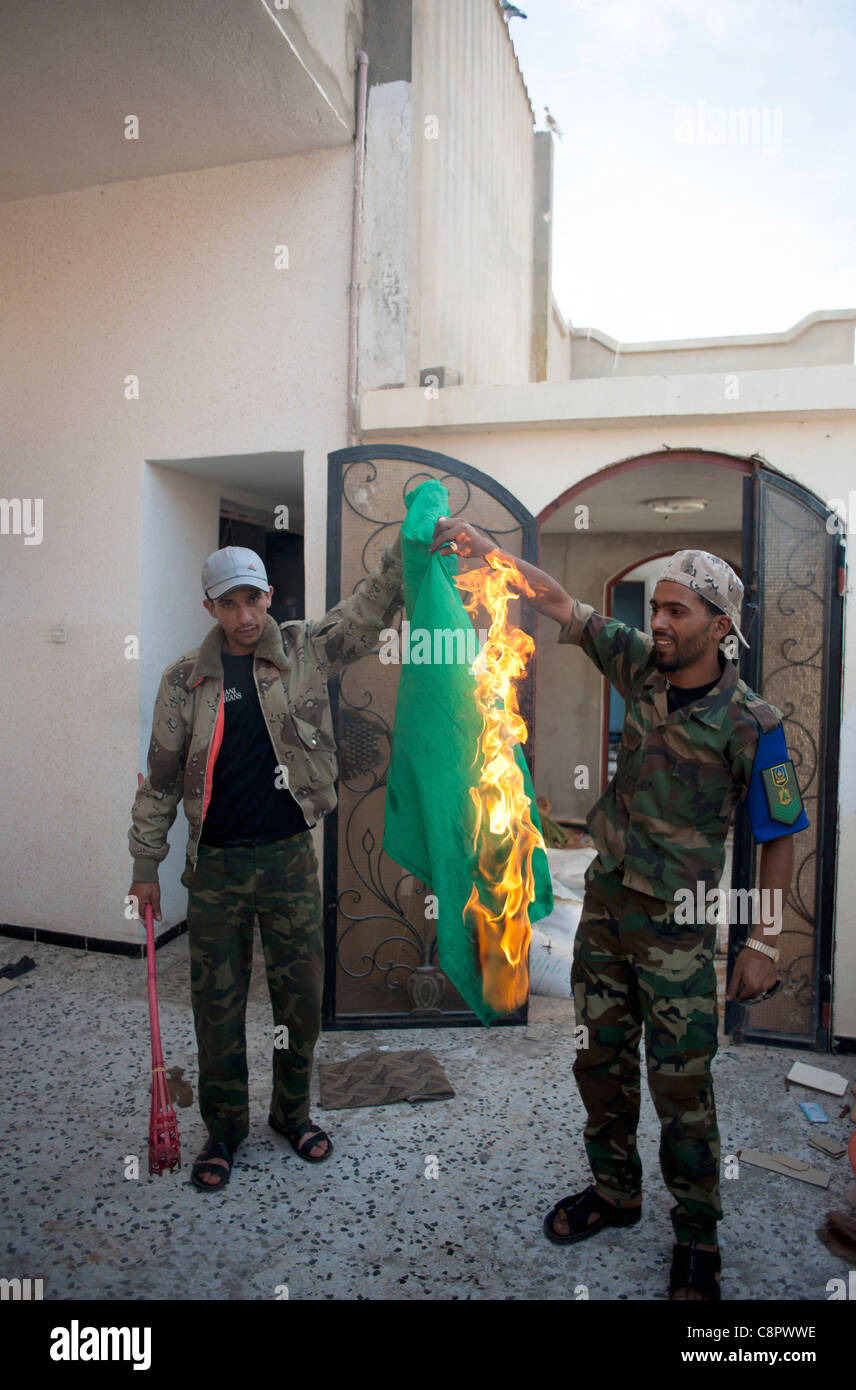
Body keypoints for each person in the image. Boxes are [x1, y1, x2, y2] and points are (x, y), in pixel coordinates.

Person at [429, 519, 808, 1301]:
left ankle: (697, 1234)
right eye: (656, 606)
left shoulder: (755, 725)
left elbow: (778, 836)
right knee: (599, 1061)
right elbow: (562, 604)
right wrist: (490, 556)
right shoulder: (640, 666)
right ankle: (615, 1191)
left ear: (720, 625)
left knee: (682, 1085)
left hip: (678, 930)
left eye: (677, 612)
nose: (659, 622)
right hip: (605, 910)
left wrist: (765, 942)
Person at [128, 539, 404, 1191]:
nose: (246, 616)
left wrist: (405, 555)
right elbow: (161, 782)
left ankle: (292, 1114)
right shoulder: (183, 680)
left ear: (268, 598)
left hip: (288, 860)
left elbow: (365, 614)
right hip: (217, 869)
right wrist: (146, 864)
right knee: (217, 1008)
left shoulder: (306, 648)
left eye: (254, 599)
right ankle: (224, 1132)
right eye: (230, 604)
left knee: (300, 1000)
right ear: (211, 607)